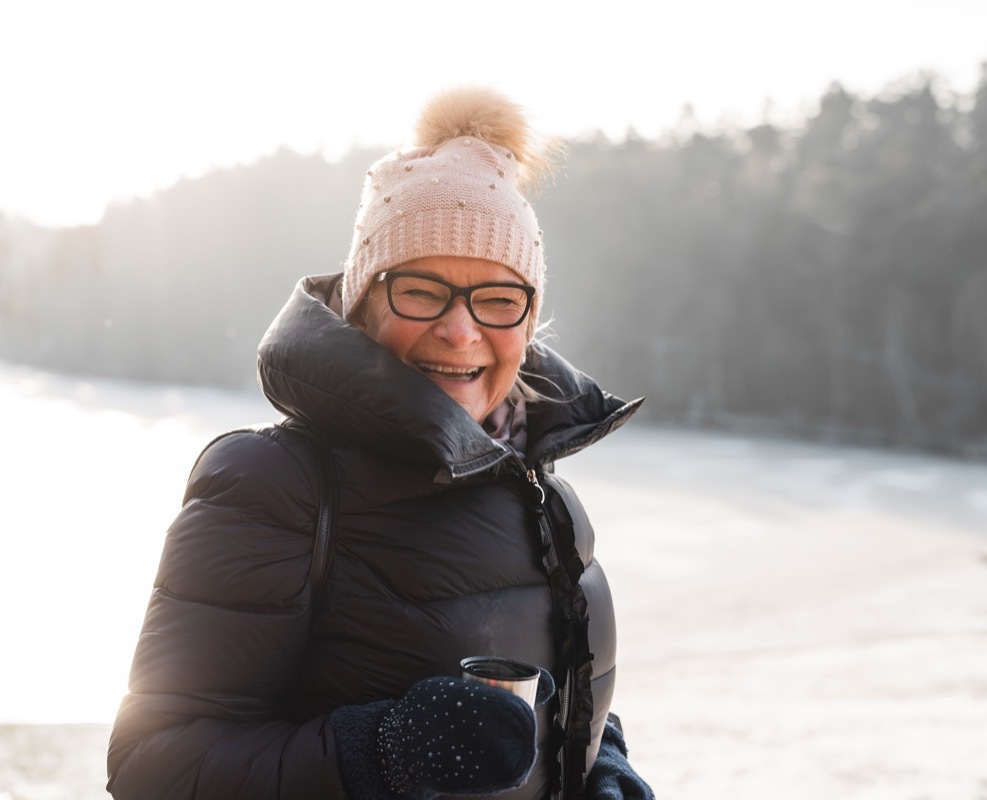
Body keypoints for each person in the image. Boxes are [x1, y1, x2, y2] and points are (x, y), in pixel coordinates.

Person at [107, 86, 655, 800]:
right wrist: (384, 749)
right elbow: (153, 766)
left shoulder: (543, 495)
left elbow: (544, 697)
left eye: (497, 298)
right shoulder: (275, 486)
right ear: (365, 305)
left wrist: (598, 764)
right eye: (422, 291)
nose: (461, 331)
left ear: (527, 318)